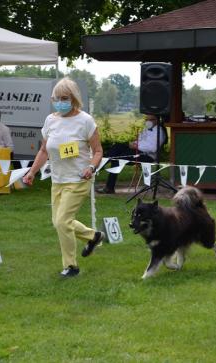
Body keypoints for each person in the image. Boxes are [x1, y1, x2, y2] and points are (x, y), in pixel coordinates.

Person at [22, 78, 104, 278]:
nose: (60, 102)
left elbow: (98, 151)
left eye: (64, 98)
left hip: (78, 180)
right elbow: (44, 150)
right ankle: (93, 236)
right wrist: (32, 172)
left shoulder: (85, 121)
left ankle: (71, 267)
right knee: (59, 222)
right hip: (57, 180)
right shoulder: (51, 120)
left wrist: (91, 168)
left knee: (62, 222)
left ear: (73, 98)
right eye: (56, 98)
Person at [96, 114, 166, 194]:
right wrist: (133, 143)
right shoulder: (147, 129)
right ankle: (101, 164)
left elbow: (153, 148)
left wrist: (137, 146)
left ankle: (108, 184)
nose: (147, 121)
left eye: (150, 119)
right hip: (138, 150)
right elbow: (140, 140)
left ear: (157, 121)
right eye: (146, 119)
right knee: (117, 146)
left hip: (146, 155)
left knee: (116, 159)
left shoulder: (159, 132)